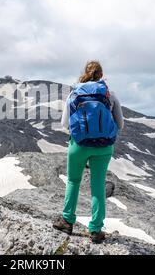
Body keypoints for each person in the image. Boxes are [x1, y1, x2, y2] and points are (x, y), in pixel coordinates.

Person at [52, 60, 124, 244]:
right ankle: (96, 230)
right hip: (103, 147)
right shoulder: (110, 94)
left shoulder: (75, 93)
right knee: (98, 186)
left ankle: (67, 221)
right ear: (101, 75)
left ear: (85, 73)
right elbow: (120, 125)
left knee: (73, 181)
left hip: (79, 145)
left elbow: (64, 124)